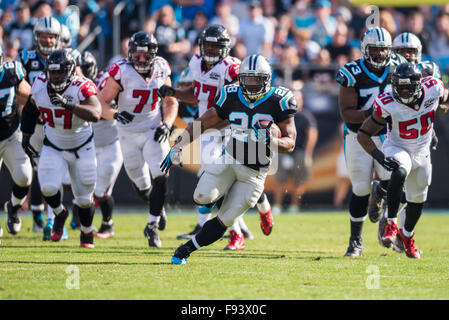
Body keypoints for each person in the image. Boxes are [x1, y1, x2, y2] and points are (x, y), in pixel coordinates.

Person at [160, 54, 297, 265]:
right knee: (202, 198)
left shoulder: (279, 100)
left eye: (256, 79)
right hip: (229, 160)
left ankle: (186, 249)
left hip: (254, 174)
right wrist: (178, 146)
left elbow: (290, 142)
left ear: (267, 79)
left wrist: (271, 141)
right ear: (239, 78)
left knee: (226, 220)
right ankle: (231, 195)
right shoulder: (230, 94)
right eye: (247, 79)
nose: (251, 85)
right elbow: (202, 123)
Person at [159, 24, 271, 250]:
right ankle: (250, 219)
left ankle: (239, 230)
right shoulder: (196, 63)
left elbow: (239, 103)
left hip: (231, 128)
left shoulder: (232, 69)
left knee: (239, 176)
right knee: (221, 179)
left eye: (215, 46)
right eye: (207, 45)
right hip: (208, 129)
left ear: (225, 48)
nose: (210, 50)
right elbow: (196, 94)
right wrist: (174, 93)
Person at [357, 62, 449, 259]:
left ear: (419, 84)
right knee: (400, 171)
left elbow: (445, 95)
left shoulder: (433, 87)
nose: (404, 91)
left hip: (422, 150)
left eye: (408, 87)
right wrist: (379, 156)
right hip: (398, 147)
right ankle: (390, 221)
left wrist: (443, 106)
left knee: (417, 200)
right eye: (400, 87)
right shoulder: (387, 102)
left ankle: (407, 236)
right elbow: (363, 133)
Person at [99, 31, 177, 248]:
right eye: (137, 55)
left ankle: (151, 226)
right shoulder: (121, 71)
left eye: (145, 55)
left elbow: (171, 101)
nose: (141, 59)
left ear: (153, 54)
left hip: (153, 129)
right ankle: (157, 208)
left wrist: (167, 124)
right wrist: (115, 114)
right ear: (130, 53)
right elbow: (100, 103)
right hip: (127, 134)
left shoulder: (162, 67)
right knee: (142, 185)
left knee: (161, 174)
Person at [335, 26, 406, 257]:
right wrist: (376, 114)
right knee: (360, 188)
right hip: (359, 134)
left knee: (395, 179)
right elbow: (347, 113)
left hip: (389, 135)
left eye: (384, 49)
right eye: (375, 49)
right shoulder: (352, 72)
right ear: (365, 49)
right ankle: (355, 241)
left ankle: (382, 197)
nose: (380, 54)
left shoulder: (399, 66)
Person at [20, 49, 102, 248]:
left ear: (71, 72)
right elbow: (30, 110)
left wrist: (69, 105)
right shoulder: (40, 84)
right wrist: (26, 138)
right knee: (48, 187)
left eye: (60, 73)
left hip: (82, 147)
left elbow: (96, 113)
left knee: (83, 199)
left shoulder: (81, 86)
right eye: (53, 72)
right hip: (54, 145)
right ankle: (60, 213)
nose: (56, 77)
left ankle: (86, 232)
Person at [19, 16, 65, 239]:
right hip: (32, 123)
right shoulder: (25, 58)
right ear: (36, 37)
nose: (47, 40)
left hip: (56, 124)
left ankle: (54, 220)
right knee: (32, 172)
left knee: (53, 172)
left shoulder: (68, 57)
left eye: (52, 36)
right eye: (44, 36)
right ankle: (35, 214)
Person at [81, 51, 123, 238]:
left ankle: (107, 225)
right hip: (88, 142)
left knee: (101, 190)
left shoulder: (106, 81)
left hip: (111, 142)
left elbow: (103, 110)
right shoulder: (73, 83)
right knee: (84, 187)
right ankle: (83, 223)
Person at [0, 46, 33, 237]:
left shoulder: (12, 71)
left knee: (24, 176)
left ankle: (13, 208)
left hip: (11, 134)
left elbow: (29, 97)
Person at [272, 89, 317, 213]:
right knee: (280, 180)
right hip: (283, 151)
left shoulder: (305, 116)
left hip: (299, 152)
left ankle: (294, 206)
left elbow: (312, 134)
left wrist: (307, 153)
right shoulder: (282, 114)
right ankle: (277, 205)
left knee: (299, 181)